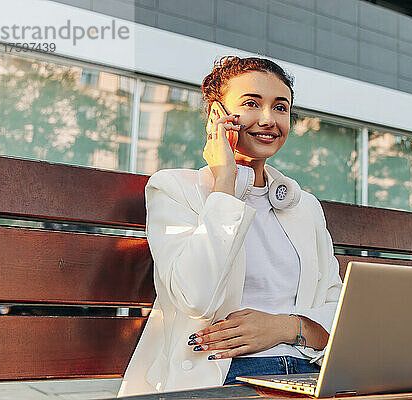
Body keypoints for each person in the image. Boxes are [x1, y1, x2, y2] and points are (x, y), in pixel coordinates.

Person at [118, 56, 343, 397]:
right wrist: (224, 182)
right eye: (252, 104)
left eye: (280, 108)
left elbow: (338, 311)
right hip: (224, 376)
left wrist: (285, 327)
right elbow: (196, 298)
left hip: (310, 373)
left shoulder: (304, 206)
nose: (269, 119)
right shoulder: (175, 189)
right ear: (217, 116)